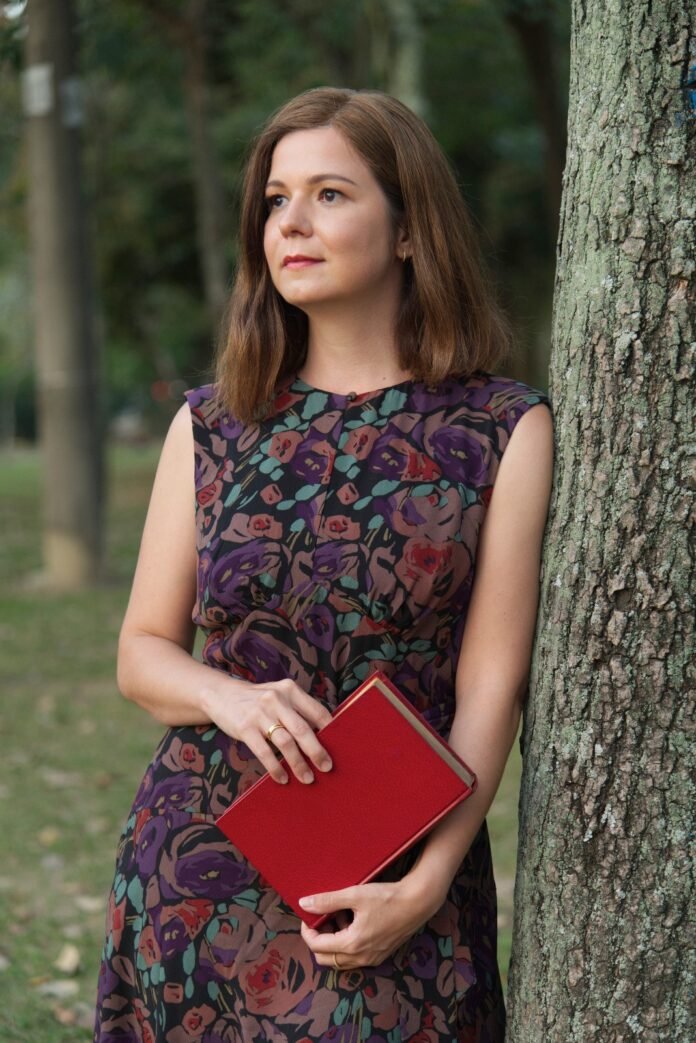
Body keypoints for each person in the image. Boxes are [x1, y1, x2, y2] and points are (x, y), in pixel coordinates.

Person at [94, 86, 553, 1043]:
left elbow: (490, 687)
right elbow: (142, 651)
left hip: (391, 881)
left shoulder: (501, 427)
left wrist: (428, 883)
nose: (291, 224)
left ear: (410, 229)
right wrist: (230, 697)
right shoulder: (212, 423)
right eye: (276, 200)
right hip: (195, 875)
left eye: (330, 195)